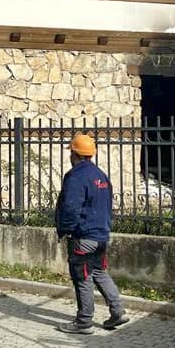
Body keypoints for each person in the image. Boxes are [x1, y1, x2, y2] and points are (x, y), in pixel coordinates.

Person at [54, 133, 129, 335]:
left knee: (82, 276)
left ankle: (84, 321)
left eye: (71, 152)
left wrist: (66, 230)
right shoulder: (100, 175)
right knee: (98, 272)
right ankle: (117, 310)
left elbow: (70, 207)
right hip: (101, 235)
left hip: (83, 235)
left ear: (75, 154)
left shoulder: (76, 176)